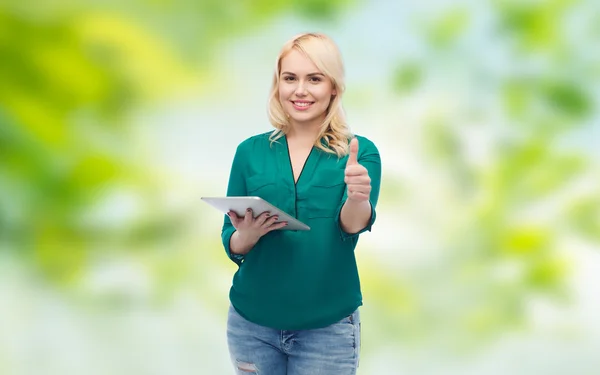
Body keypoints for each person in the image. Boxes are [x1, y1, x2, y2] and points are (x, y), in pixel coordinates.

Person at [221, 32, 381, 375]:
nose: (300, 90)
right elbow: (232, 243)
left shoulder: (359, 152)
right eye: (290, 78)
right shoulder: (249, 152)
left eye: (315, 79)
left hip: (327, 328)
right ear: (278, 84)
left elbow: (352, 225)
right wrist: (246, 235)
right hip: (251, 325)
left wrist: (359, 197)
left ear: (333, 87)